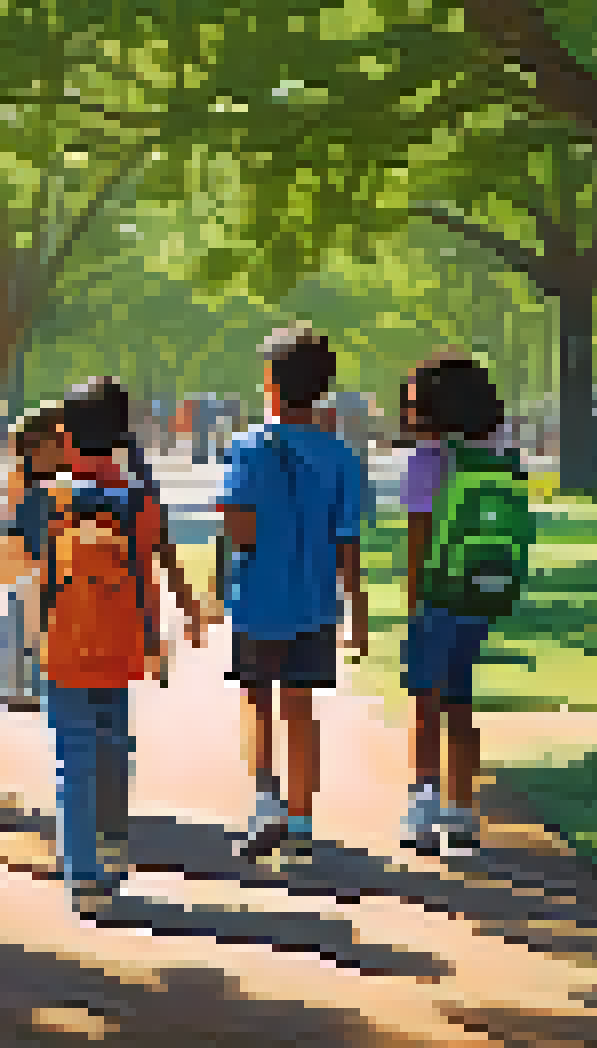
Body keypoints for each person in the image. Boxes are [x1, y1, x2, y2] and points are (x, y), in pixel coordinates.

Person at [39, 379, 210, 919]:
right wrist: (181, 615)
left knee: (75, 757)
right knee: (112, 747)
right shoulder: (139, 497)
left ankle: (82, 874)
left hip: (65, 643)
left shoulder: (51, 497)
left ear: (67, 438)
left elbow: (24, 569)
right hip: (122, 642)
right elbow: (155, 558)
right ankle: (111, 853)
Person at [217, 328, 367, 862]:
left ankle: (266, 801)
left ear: (271, 383)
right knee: (301, 707)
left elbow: (237, 526)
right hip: (316, 601)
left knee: (257, 699)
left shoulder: (248, 447)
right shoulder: (342, 456)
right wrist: (357, 612)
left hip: (258, 598)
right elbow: (348, 540)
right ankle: (302, 818)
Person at [396, 355, 510, 856]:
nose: (406, 411)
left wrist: (413, 604)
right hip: (478, 594)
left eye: (413, 402)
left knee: (425, 702)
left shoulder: (425, 464)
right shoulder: (496, 457)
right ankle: (462, 812)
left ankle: (423, 810)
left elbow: (418, 544)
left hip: (436, 597)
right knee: (461, 704)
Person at [0, 403, 68, 713]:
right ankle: (25, 689)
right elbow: (40, 537)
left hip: (30, 574)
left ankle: (21, 688)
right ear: (39, 447)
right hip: (33, 574)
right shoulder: (33, 487)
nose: (66, 451)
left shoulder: (31, 482)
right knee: (31, 634)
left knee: (25, 633)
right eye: (60, 443)